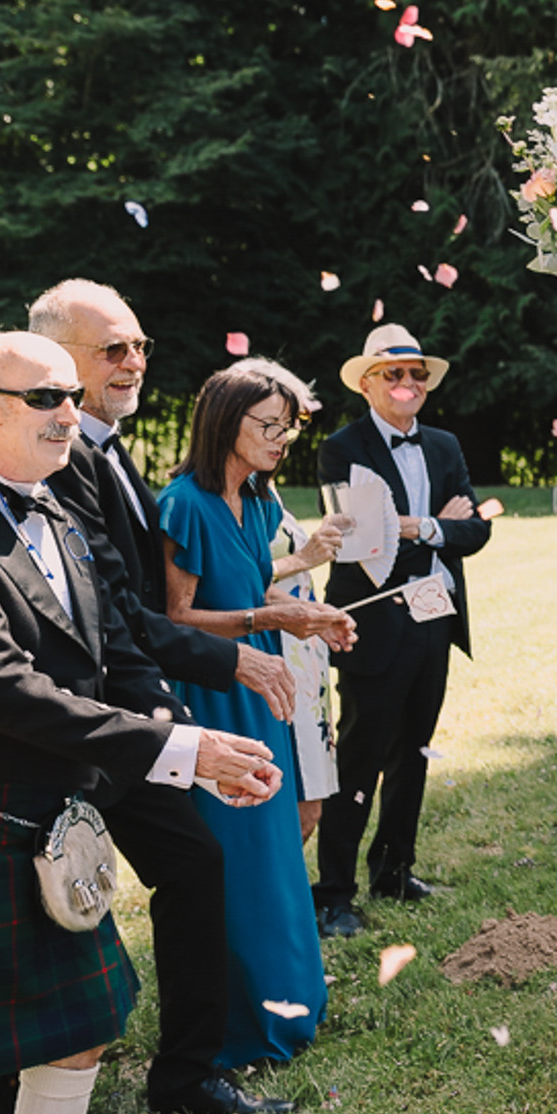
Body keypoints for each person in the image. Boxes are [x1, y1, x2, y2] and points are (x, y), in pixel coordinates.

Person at [27, 278, 303, 1114]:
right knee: (51, 907)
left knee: (193, 863)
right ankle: (41, 1066)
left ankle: (185, 1075)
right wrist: (232, 665)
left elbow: (120, 608)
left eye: (139, 344)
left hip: (131, 714)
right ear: (55, 359)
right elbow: (127, 611)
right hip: (59, 726)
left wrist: (179, 707)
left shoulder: (105, 452)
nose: (133, 360)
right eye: (112, 348)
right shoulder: (52, 456)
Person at [159, 367, 356, 1069]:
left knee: (275, 849)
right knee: (236, 857)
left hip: (266, 681)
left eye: (288, 426)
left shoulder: (259, 501)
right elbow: (175, 617)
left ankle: (294, 1000)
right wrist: (268, 617)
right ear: (224, 422)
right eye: (267, 425)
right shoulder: (181, 504)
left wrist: (305, 603)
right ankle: (243, 1024)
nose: (281, 440)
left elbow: (252, 577)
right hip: (215, 691)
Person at [313, 326, 490, 939]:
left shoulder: (443, 445)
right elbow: (367, 544)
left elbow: (477, 532)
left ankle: (395, 870)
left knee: (413, 751)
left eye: (417, 374)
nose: (409, 384)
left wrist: (416, 528)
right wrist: (435, 526)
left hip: (434, 617)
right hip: (373, 621)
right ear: (367, 383)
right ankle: (333, 893)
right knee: (359, 758)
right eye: (394, 374)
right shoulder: (342, 449)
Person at [238, 359, 348, 844]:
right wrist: (305, 557)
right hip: (270, 650)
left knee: (309, 808)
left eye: (294, 424)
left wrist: (319, 618)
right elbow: (237, 576)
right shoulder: (233, 489)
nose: (288, 435)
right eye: (278, 423)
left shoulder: (266, 484)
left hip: (303, 649)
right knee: (292, 809)